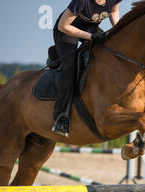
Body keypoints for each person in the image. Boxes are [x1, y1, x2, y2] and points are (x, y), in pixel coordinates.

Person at [52, 0, 122, 137]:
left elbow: (114, 11)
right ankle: (61, 118)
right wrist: (90, 37)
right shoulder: (82, 1)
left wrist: (117, 30)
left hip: (90, 28)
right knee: (70, 66)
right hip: (67, 31)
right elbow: (63, 26)